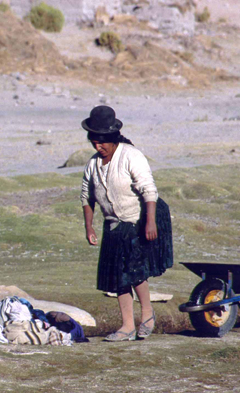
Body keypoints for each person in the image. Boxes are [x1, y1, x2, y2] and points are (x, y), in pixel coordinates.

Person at [80, 105, 173, 342]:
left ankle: (147, 314)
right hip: (113, 225)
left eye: (101, 142)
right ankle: (127, 325)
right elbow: (86, 197)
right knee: (117, 278)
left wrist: (150, 223)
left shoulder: (131, 156)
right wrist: (89, 226)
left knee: (134, 271)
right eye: (94, 141)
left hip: (137, 220)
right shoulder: (92, 165)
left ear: (112, 139)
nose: (97, 146)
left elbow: (149, 189)